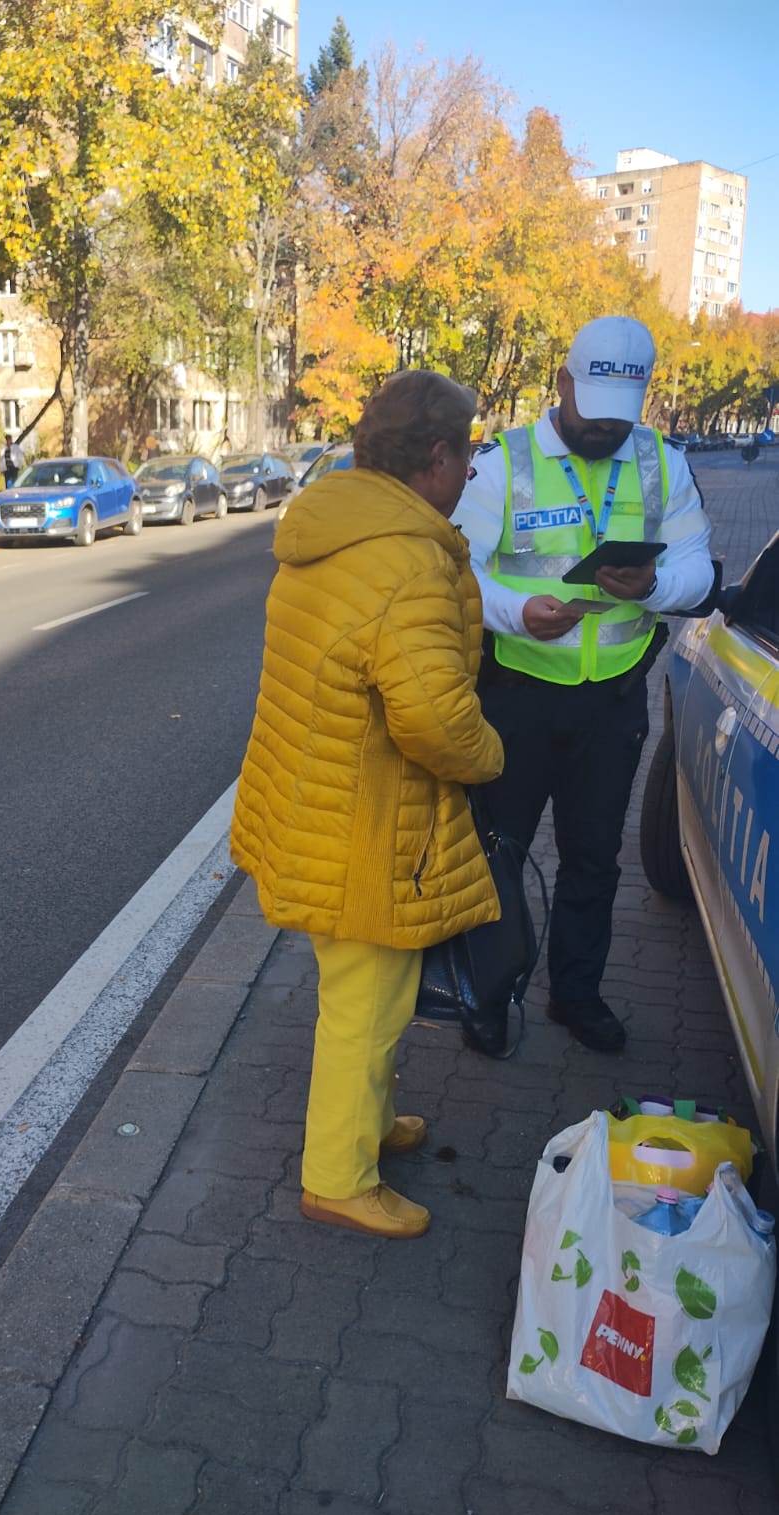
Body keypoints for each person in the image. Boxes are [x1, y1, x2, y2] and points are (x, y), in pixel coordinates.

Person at [230, 371, 504, 1240]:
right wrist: (492, 755)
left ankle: (367, 1123)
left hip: (315, 800)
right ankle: (339, 1178)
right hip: (369, 827)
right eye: (469, 453)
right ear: (437, 456)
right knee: (369, 1007)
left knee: (363, 994)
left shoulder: (330, 530)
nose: (472, 470)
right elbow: (434, 719)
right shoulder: (408, 562)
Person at [455, 316, 714, 1056]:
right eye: (592, 409)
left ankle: (576, 995)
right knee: (499, 853)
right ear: (564, 382)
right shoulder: (501, 463)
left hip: (612, 700)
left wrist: (655, 586)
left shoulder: (663, 462)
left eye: (619, 416)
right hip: (517, 691)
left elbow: (698, 570)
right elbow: (454, 568)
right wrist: (515, 613)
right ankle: (488, 997)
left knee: (594, 858)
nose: (604, 428)